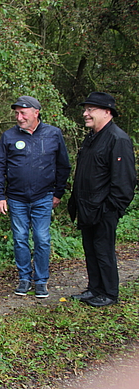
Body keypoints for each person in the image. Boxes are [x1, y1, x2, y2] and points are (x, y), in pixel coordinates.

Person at [0, 96, 71, 298]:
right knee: (19, 239)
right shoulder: (8, 136)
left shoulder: (53, 134)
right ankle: (24, 278)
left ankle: (41, 280)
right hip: (16, 198)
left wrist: (59, 192)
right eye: (17, 113)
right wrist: (0, 195)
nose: (19, 117)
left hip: (43, 197)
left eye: (23, 113)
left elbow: (63, 165)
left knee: (42, 238)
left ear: (36, 112)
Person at [68, 92, 136, 307]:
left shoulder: (118, 139)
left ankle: (109, 293)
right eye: (85, 109)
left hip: (105, 208)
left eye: (90, 110)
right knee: (90, 249)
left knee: (103, 250)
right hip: (88, 207)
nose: (85, 113)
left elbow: (125, 181)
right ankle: (94, 289)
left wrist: (111, 208)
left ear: (107, 112)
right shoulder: (92, 137)